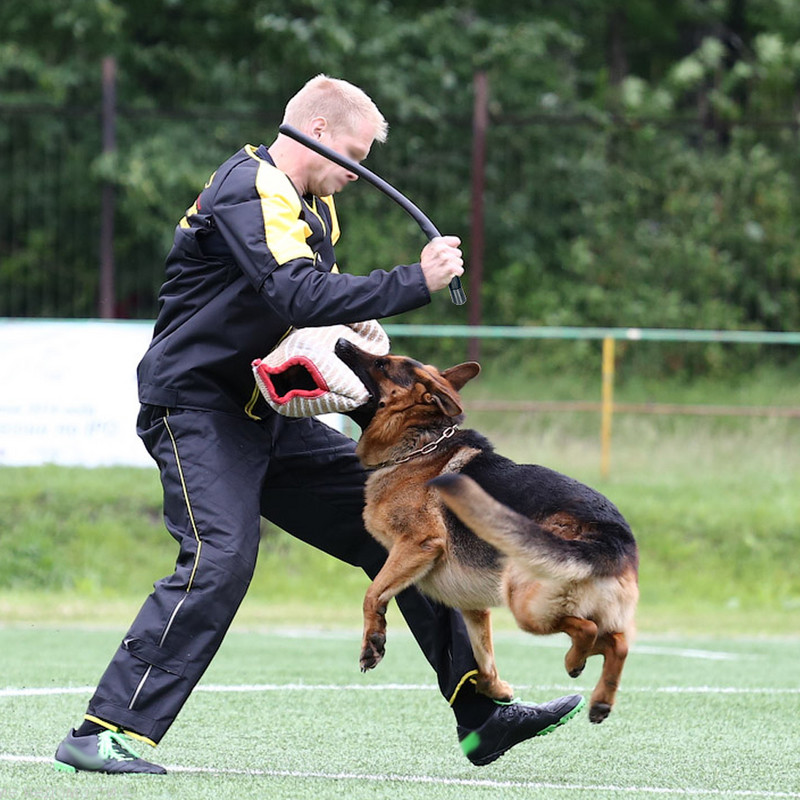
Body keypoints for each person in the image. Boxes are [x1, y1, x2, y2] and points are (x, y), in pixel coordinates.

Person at [54, 74, 583, 775]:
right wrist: (408, 283)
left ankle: (481, 713)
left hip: (268, 413)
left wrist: (348, 322)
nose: (358, 175)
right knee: (220, 559)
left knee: (412, 527)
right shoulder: (250, 187)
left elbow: (300, 304)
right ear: (321, 131)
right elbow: (290, 286)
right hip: (199, 411)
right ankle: (101, 732)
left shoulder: (315, 209)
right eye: (356, 157)